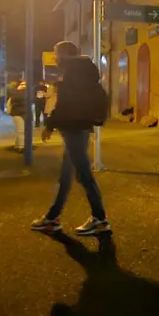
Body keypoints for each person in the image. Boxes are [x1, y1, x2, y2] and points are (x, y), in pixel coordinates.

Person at [31, 41, 110, 235]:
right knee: (66, 175)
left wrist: (49, 125)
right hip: (79, 128)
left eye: (57, 53)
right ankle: (52, 217)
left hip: (74, 128)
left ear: (65, 54)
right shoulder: (83, 72)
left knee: (83, 175)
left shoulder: (73, 75)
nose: (55, 57)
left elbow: (66, 105)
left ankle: (100, 219)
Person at [7, 80, 29, 153]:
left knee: (20, 131)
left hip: (23, 113)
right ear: (18, 85)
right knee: (21, 131)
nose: (23, 86)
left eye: (25, 84)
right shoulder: (15, 93)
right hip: (17, 114)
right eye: (22, 84)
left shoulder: (27, 93)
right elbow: (17, 99)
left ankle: (17, 145)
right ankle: (21, 147)